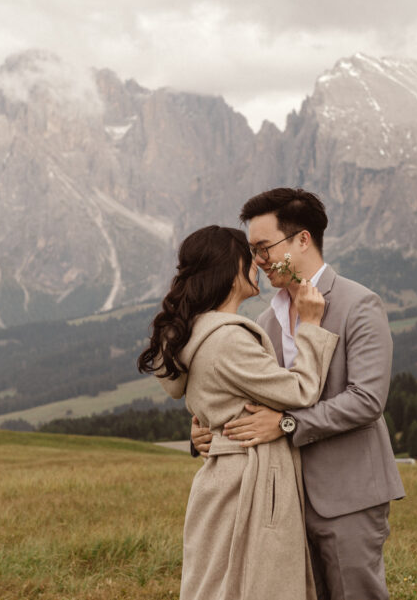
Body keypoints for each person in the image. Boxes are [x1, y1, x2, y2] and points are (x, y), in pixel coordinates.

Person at [192, 188, 406, 600]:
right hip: (281, 503)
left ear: (302, 240)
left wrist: (288, 424)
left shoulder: (359, 304)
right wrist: (205, 429)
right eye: (253, 251)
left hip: (348, 496)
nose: (258, 260)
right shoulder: (264, 320)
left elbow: (366, 400)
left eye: (264, 247)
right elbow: (251, 395)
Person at [138, 225, 339, 600]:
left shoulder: (193, 333)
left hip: (221, 477)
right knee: (254, 586)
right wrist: (311, 325)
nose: (259, 263)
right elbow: (300, 390)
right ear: (231, 271)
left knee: (218, 584)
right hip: (250, 480)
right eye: (250, 257)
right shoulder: (228, 338)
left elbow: (214, 399)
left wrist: (206, 430)